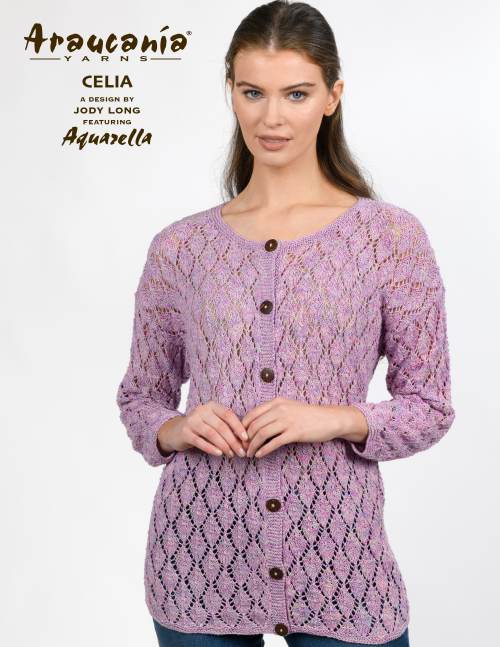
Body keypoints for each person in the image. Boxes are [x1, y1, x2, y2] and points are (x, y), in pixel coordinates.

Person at [116, 1, 455, 645]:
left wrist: (331, 418)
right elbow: (140, 397)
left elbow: (430, 405)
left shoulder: (389, 239)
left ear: (332, 97)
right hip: (199, 560)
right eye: (253, 92)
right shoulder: (181, 248)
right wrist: (177, 427)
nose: (271, 117)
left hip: (340, 561)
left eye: (296, 94)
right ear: (231, 93)